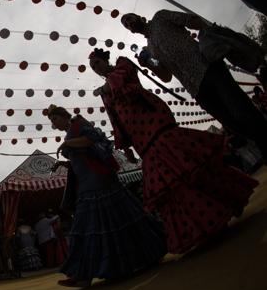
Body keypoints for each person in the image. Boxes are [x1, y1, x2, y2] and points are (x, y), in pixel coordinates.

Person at [88, 48, 259, 254]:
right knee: (170, 184)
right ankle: (201, 227)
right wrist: (126, 147)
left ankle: (227, 201)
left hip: (154, 122)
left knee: (187, 167)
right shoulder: (105, 91)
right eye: (92, 67)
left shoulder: (122, 65)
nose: (96, 69)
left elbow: (130, 91)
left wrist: (108, 87)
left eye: (97, 63)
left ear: (105, 60)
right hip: (140, 138)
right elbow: (115, 120)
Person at [47, 105, 167, 287]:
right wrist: (64, 164)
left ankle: (86, 274)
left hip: (98, 179)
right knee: (93, 225)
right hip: (87, 182)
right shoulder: (70, 132)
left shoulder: (79, 123)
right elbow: (82, 158)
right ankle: (84, 274)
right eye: (52, 121)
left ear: (64, 116)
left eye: (55, 119)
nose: (54, 123)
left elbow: (91, 140)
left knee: (99, 222)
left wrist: (67, 144)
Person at [121, 11, 267, 159]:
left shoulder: (160, 17)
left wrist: (210, 36)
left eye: (129, 18)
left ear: (139, 16)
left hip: (208, 67)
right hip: (196, 89)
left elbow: (191, 20)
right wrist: (149, 66)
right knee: (231, 123)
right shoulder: (150, 49)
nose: (129, 23)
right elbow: (166, 77)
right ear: (131, 31)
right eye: (126, 25)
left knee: (241, 109)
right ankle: (262, 141)